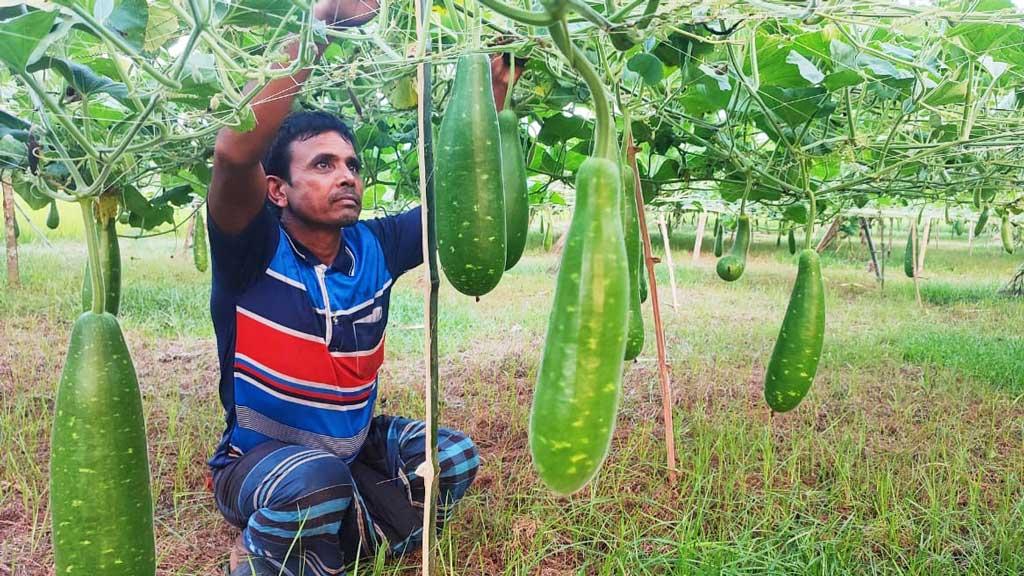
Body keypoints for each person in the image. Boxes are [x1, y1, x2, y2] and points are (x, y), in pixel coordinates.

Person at [205, 1, 522, 574]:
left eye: (351, 164)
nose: (346, 175)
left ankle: (338, 534)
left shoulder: (376, 246)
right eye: (323, 165)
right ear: (277, 190)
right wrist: (318, 25)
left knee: (451, 456)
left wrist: (490, 93)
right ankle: (267, 548)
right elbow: (233, 152)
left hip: (353, 452)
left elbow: (457, 200)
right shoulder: (250, 252)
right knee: (313, 482)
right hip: (255, 460)